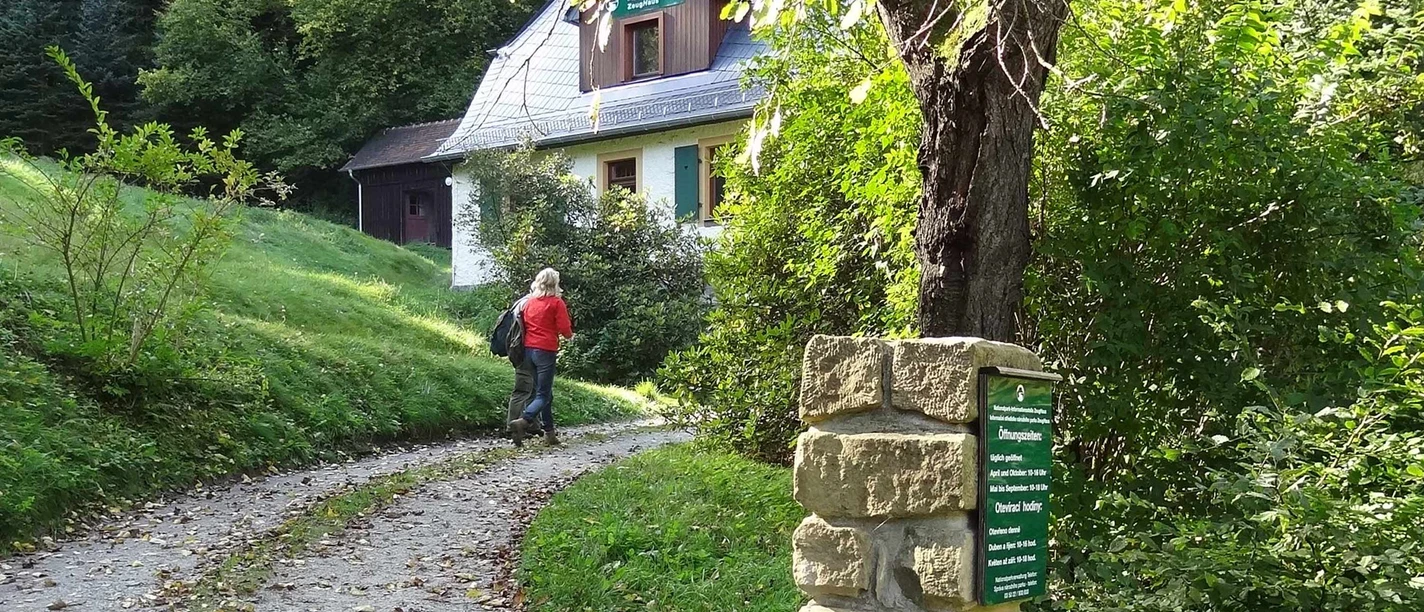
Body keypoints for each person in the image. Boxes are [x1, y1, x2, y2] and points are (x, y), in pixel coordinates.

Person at [509, 268, 573, 446]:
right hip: (545, 351)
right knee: (543, 395)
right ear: (555, 283)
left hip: (528, 351)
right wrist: (570, 336)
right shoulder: (556, 303)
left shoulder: (529, 302)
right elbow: (564, 329)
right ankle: (524, 421)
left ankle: (550, 434)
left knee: (544, 394)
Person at [505, 294, 543, 438]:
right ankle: (513, 427)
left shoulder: (521, 303)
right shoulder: (530, 304)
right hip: (525, 352)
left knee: (532, 388)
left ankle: (532, 425)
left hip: (521, 350)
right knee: (522, 390)